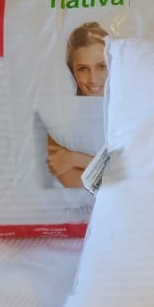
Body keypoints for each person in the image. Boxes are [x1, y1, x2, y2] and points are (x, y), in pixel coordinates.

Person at [46, 22, 108, 188]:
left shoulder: (131, 110)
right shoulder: (59, 120)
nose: (93, 79)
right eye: (83, 69)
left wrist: (76, 159)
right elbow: (71, 181)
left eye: (101, 67)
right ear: (71, 70)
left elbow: (134, 173)